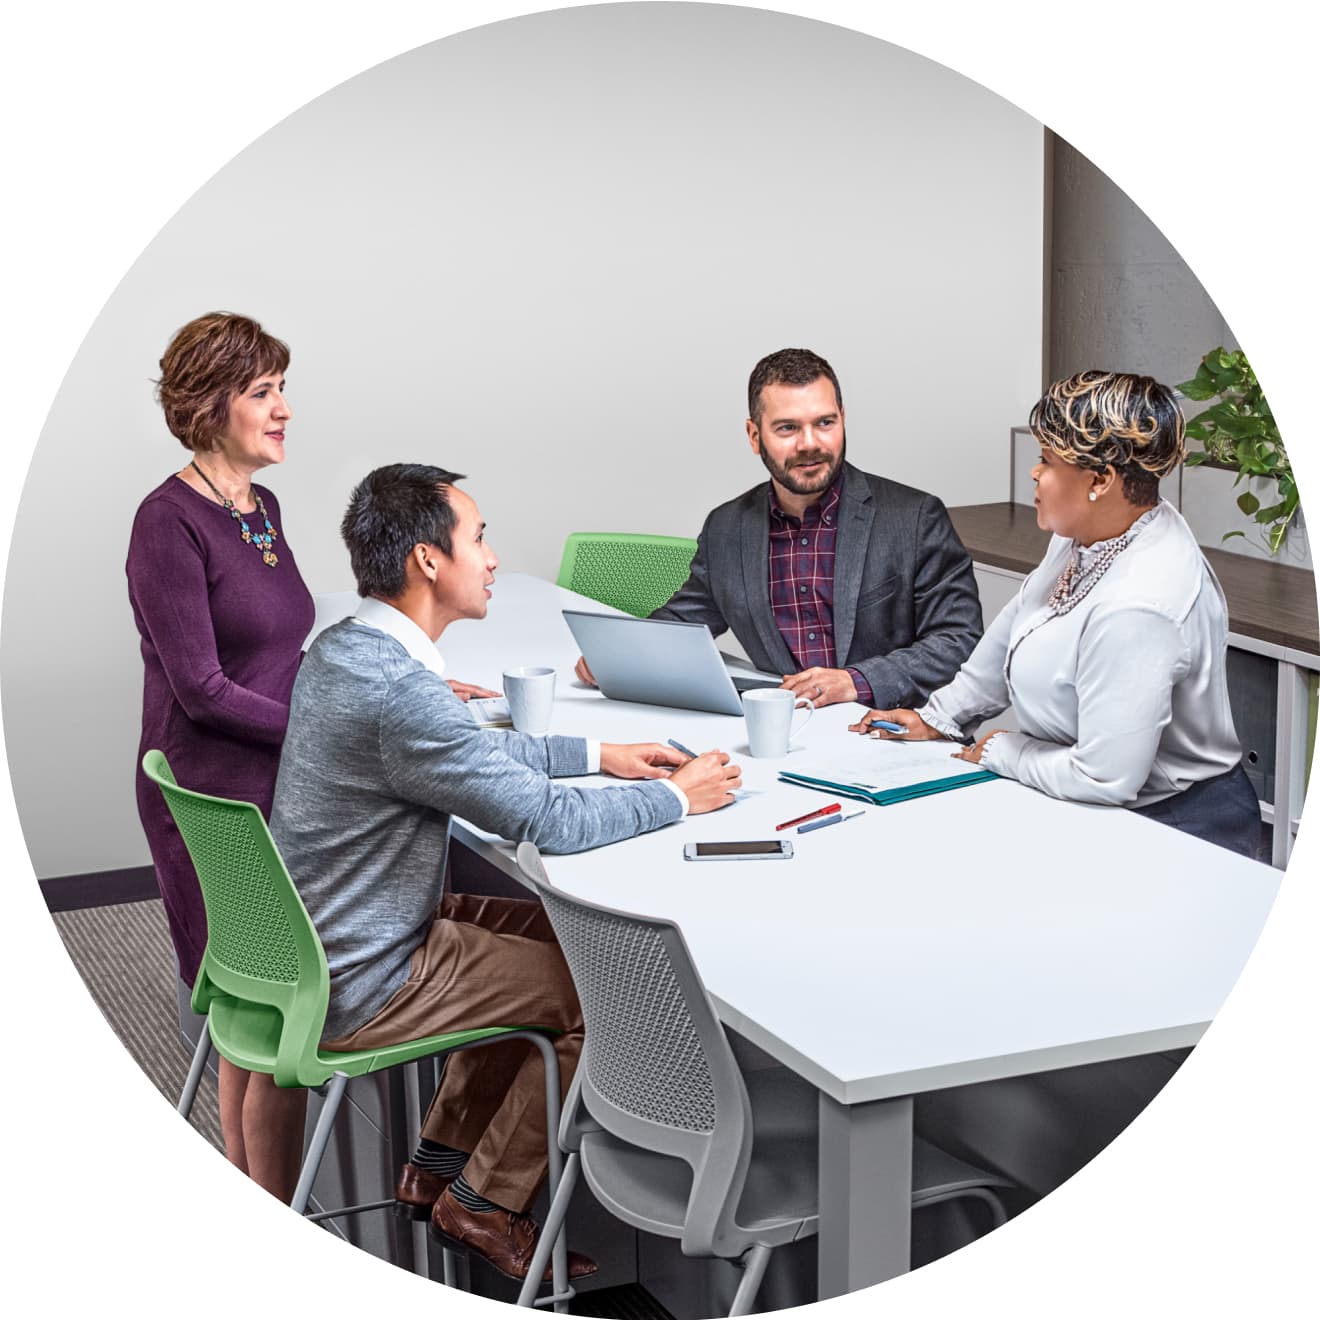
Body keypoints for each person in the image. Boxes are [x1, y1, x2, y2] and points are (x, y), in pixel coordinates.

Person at [268, 463, 740, 1282]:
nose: (490, 558)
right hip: (366, 970)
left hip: (327, 933)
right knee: (605, 988)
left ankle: (440, 1165)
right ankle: (485, 1204)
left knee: (552, 932)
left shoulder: (348, 646)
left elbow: (472, 752)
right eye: (478, 538)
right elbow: (546, 821)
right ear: (427, 561)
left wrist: (602, 754)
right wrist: (675, 796)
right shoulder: (397, 690)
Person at [851, 369, 1259, 857]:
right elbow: (1021, 619)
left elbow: (1105, 777)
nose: (1034, 472)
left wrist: (1004, 750)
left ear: (1100, 480)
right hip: (1092, 802)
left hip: (1176, 823)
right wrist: (940, 717)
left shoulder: (1140, 606)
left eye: (1046, 460)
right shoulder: (1090, 531)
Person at [127, 312, 315, 1201]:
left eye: (282, 388)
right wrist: (324, 732)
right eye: (263, 392)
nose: (285, 409)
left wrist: (371, 684)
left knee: (262, 1017)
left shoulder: (259, 508)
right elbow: (202, 688)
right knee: (261, 1018)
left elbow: (278, 652)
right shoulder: (167, 523)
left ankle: (251, 1200)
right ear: (211, 407)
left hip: (269, 782)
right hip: (211, 798)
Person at [574, 347, 983, 708]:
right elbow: (686, 622)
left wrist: (854, 682)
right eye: (787, 428)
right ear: (754, 436)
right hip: (785, 735)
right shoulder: (727, 528)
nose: (809, 443)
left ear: (843, 420)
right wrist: (620, 654)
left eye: (824, 423)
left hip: (890, 734)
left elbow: (958, 640)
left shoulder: (913, 518)